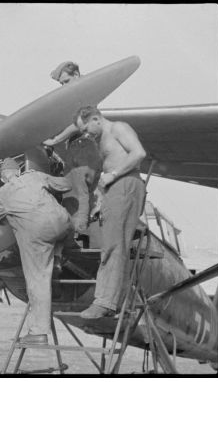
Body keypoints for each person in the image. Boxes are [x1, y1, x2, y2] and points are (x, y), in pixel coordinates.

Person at [72, 106, 147, 319]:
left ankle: (105, 302)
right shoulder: (101, 137)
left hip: (125, 183)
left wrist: (112, 175)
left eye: (86, 128)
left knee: (114, 245)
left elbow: (139, 153)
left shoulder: (118, 128)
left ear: (96, 119)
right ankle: (109, 300)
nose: (86, 134)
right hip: (115, 188)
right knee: (111, 243)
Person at [0, 158, 73, 345]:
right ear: (18, 170)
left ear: (2, 177)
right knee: (60, 230)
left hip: (38, 235)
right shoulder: (35, 176)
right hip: (63, 224)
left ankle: (38, 333)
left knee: (38, 280)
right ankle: (58, 258)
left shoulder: (2, 193)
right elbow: (66, 184)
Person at [43, 60, 82, 147]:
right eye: (62, 84)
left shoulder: (86, 90)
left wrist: (55, 140)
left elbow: (81, 121)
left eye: (67, 81)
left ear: (76, 74)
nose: (64, 87)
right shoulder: (74, 95)